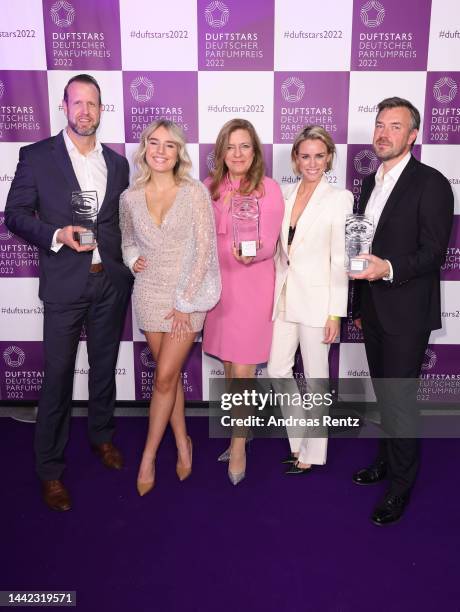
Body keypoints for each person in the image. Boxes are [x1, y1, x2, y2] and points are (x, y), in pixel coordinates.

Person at [5, 74, 133, 512]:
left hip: (109, 284)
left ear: (101, 109)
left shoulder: (116, 164)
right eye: (77, 103)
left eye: (92, 103)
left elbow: (119, 223)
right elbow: (15, 215)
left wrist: (129, 262)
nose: (84, 111)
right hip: (63, 285)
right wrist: (57, 233)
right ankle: (50, 470)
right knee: (57, 378)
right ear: (64, 107)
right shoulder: (37, 156)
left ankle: (102, 437)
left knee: (103, 369)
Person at [350, 97, 454, 526]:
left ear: (413, 136)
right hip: (374, 309)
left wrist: (387, 269)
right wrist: (359, 304)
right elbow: (362, 249)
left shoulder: (431, 183)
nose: (383, 133)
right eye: (379, 124)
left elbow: (433, 253)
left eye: (395, 126)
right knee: (384, 395)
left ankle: (400, 487)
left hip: (406, 312)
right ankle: (386, 461)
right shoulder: (370, 182)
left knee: (400, 400)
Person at [120, 120, 220, 496]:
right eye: (154, 143)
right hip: (147, 293)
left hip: (186, 297)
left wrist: (185, 301)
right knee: (170, 376)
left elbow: (205, 250)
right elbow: (128, 241)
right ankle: (183, 442)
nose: (161, 151)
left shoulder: (194, 192)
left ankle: (147, 457)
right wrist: (132, 261)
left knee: (163, 378)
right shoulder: (129, 197)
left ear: (180, 152)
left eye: (170, 145)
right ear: (145, 148)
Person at [267, 126, 353, 474]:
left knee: (316, 376)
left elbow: (340, 259)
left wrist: (336, 313)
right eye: (305, 156)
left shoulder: (340, 198)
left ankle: (313, 452)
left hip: (319, 302)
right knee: (276, 368)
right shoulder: (283, 194)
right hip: (284, 296)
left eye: (319, 155)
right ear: (295, 159)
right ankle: (299, 437)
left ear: (329, 157)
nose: (312, 162)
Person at [202, 118, 284, 485]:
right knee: (229, 366)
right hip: (220, 290)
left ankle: (237, 445)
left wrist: (256, 253)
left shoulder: (269, 189)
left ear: (255, 152)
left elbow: (271, 240)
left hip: (252, 285)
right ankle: (243, 429)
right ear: (221, 152)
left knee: (244, 372)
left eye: (245, 146)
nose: (237, 154)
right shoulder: (208, 188)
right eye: (230, 147)